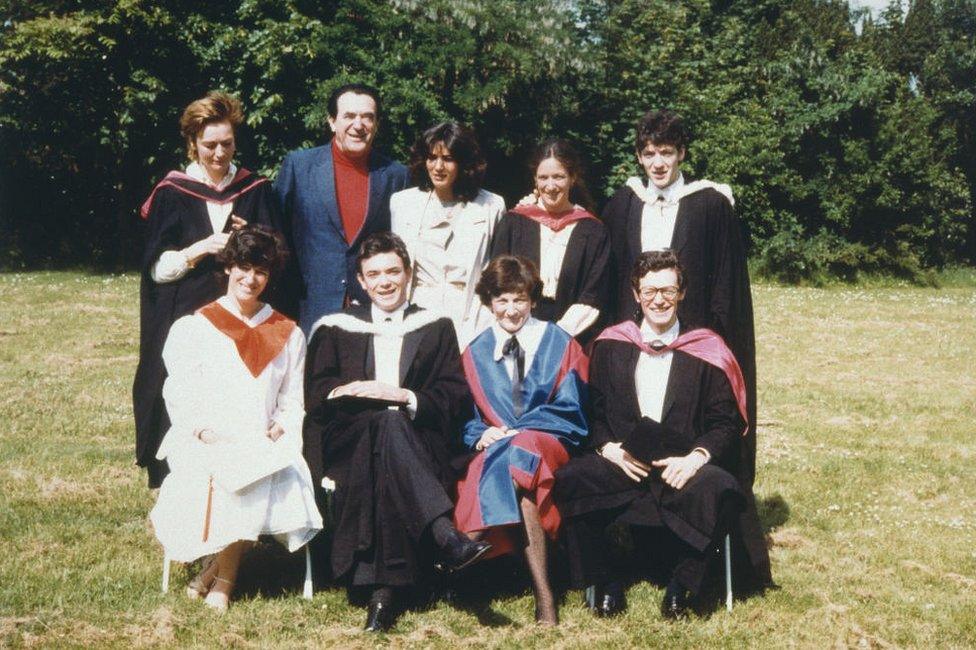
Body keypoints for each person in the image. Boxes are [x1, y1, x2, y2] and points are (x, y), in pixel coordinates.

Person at [553, 250, 771, 620]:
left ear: (682, 293)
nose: (659, 300)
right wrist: (610, 449)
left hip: (680, 464)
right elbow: (595, 412)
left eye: (668, 291)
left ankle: (681, 588)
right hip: (627, 463)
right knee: (572, 479)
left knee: (720, 488)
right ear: (635, 294)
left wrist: (695, 458)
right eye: (650, 291)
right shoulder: (609, 345)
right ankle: (606, 582)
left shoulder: (707, 349)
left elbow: (725, 423)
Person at [303, 231, 491, 632]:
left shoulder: (435, 326)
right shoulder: (336, 327)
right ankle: (444, 535)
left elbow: (453, 394)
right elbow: (317, 392)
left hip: (416, 436)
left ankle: (380, 593)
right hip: (351, 439)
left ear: (408, 274)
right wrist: (350, 391)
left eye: (393, 271)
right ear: (361, 280)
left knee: (390, 426)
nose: (385, 281)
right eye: (374, 274)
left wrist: (402, 395)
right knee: (382, 424)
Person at [149, 225, 322, 613]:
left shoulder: (288, 333)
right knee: (231, 467)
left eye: (260, 270)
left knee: (254, 466)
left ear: (270, 276)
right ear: (228, 267)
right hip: (206, 436)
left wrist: (281, 426)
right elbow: (179, 391)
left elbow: (293, 400)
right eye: (243, 267)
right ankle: (221, 573)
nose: (251, 278)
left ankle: (220, 577)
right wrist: (202, 429)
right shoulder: (198, 326)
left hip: (263, 439)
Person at [600, 109, 759, 492]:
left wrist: (716, 347)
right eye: (650, 153)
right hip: (636, 341)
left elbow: (726, 284)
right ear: (639, 156)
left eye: (667, 152)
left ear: (682, 153)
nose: (658, 163)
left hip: (693, 344)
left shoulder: (710, 205)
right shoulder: (623, 203)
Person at [133, 90, 278, 488]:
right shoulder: (173, 191)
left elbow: (279, 257)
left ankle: (242, 477)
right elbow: (157, 272)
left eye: (226, 144)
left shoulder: (255, 189)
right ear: (192, 143)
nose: (219, 153)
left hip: (242, 313)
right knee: (184, 392)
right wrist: (199, 249)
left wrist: (252, 239)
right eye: (209, 144)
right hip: (185, 313)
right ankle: (179, 483)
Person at [453, 255, 589, 625]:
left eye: (519, 299)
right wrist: (482, 432)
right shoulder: (475, 352)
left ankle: (471, 535)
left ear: (532, 299)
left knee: (524, 448)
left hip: (550, 441)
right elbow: (468, 416)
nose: (511, 310)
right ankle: (545, 599)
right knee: (523, 474)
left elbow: (572, 411)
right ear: (488, 302)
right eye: (501, 300)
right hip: (502, 452)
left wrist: (519, 431)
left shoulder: (560, 343)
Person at [275, 83, 410, 333]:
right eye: (349, 116)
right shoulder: (298, 167)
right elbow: (276, 235)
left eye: (367, 117)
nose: (358, 125)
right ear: (331, 121)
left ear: (376, 124)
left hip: (375, 311)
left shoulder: (396, 175)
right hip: (309, 309)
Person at [391, 122, 506, 346]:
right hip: (417, 315)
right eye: (432, 158)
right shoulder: (403, 203)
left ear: (464, 163)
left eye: (448, 159)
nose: (438, 166)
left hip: (470, 317)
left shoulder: (492, 205)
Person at [489, 138, 610, 342]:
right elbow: (496, 283)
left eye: (559, 177)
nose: (550, 186)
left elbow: (594, 294)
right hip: (515, 329)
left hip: (571, 336)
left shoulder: (594, 231)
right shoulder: (513, 223)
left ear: (573, 178)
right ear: (535, 179)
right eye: (543, 177)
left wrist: (555, 337)